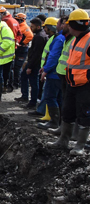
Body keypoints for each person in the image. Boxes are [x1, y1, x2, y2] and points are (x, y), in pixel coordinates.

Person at [48, 9, 90, 155]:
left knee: (84, 115)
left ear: (74, 25)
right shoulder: (74, 39)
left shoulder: (88, 40)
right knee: (68, 112)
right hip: (72, 83)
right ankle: (63, 140)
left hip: (85, 85)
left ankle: (80, 145)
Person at [38, 17, 66, 130]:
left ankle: (54, 122)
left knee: (50, 96)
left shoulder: (58, 39)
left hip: (54, 73)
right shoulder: (60, 38)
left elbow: (53, 56)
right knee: (58, 98)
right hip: (58, 72)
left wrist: (46, 70)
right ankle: (58, 122)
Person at [16, 17, 47, 108]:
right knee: (25, 77)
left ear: (38, 27)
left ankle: (32, 102)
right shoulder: (40, 35)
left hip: (34, 63)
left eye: (32, 27)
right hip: (34, 62)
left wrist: (30, 66)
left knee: (33, 82)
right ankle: (26, 96)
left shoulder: (39, 37)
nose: (30, 28)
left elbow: (37, 54)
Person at [0, 7, 21, 92]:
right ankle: (10, 86)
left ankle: (5, 86)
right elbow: (19, 34)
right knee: (10, 69)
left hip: (6, 48)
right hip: (12, 48)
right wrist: (17, 41)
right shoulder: (14, 21)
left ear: (1, 14)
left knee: (6, 70)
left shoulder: (5, 22)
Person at [12, 12, 34, 89]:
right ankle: (15, 82)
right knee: (15, 67)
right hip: (18, 48)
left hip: (22, 49)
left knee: (18, 67)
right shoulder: (19, 26)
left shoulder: (24, 27)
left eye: (17, 19)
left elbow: (30, 36)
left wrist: (23, 43)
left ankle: (17, 83)